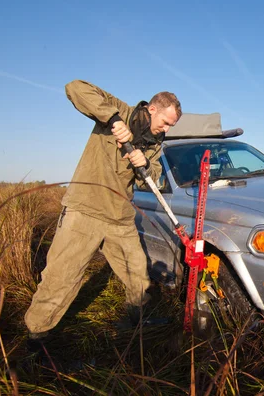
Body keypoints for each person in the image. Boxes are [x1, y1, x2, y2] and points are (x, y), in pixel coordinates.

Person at [24, 79, 182, 340]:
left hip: (120, 218)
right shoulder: (118, 110)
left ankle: (138, 319)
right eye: (165, 122)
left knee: (137, 275)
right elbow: (74, 87)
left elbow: (152, 177)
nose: (166, 129)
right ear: (153, 109)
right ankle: (36, 337)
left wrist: (145, 164)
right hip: (84, 211)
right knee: (61, 277)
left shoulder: (155, 145)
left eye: (170, 126)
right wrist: (113, 120)